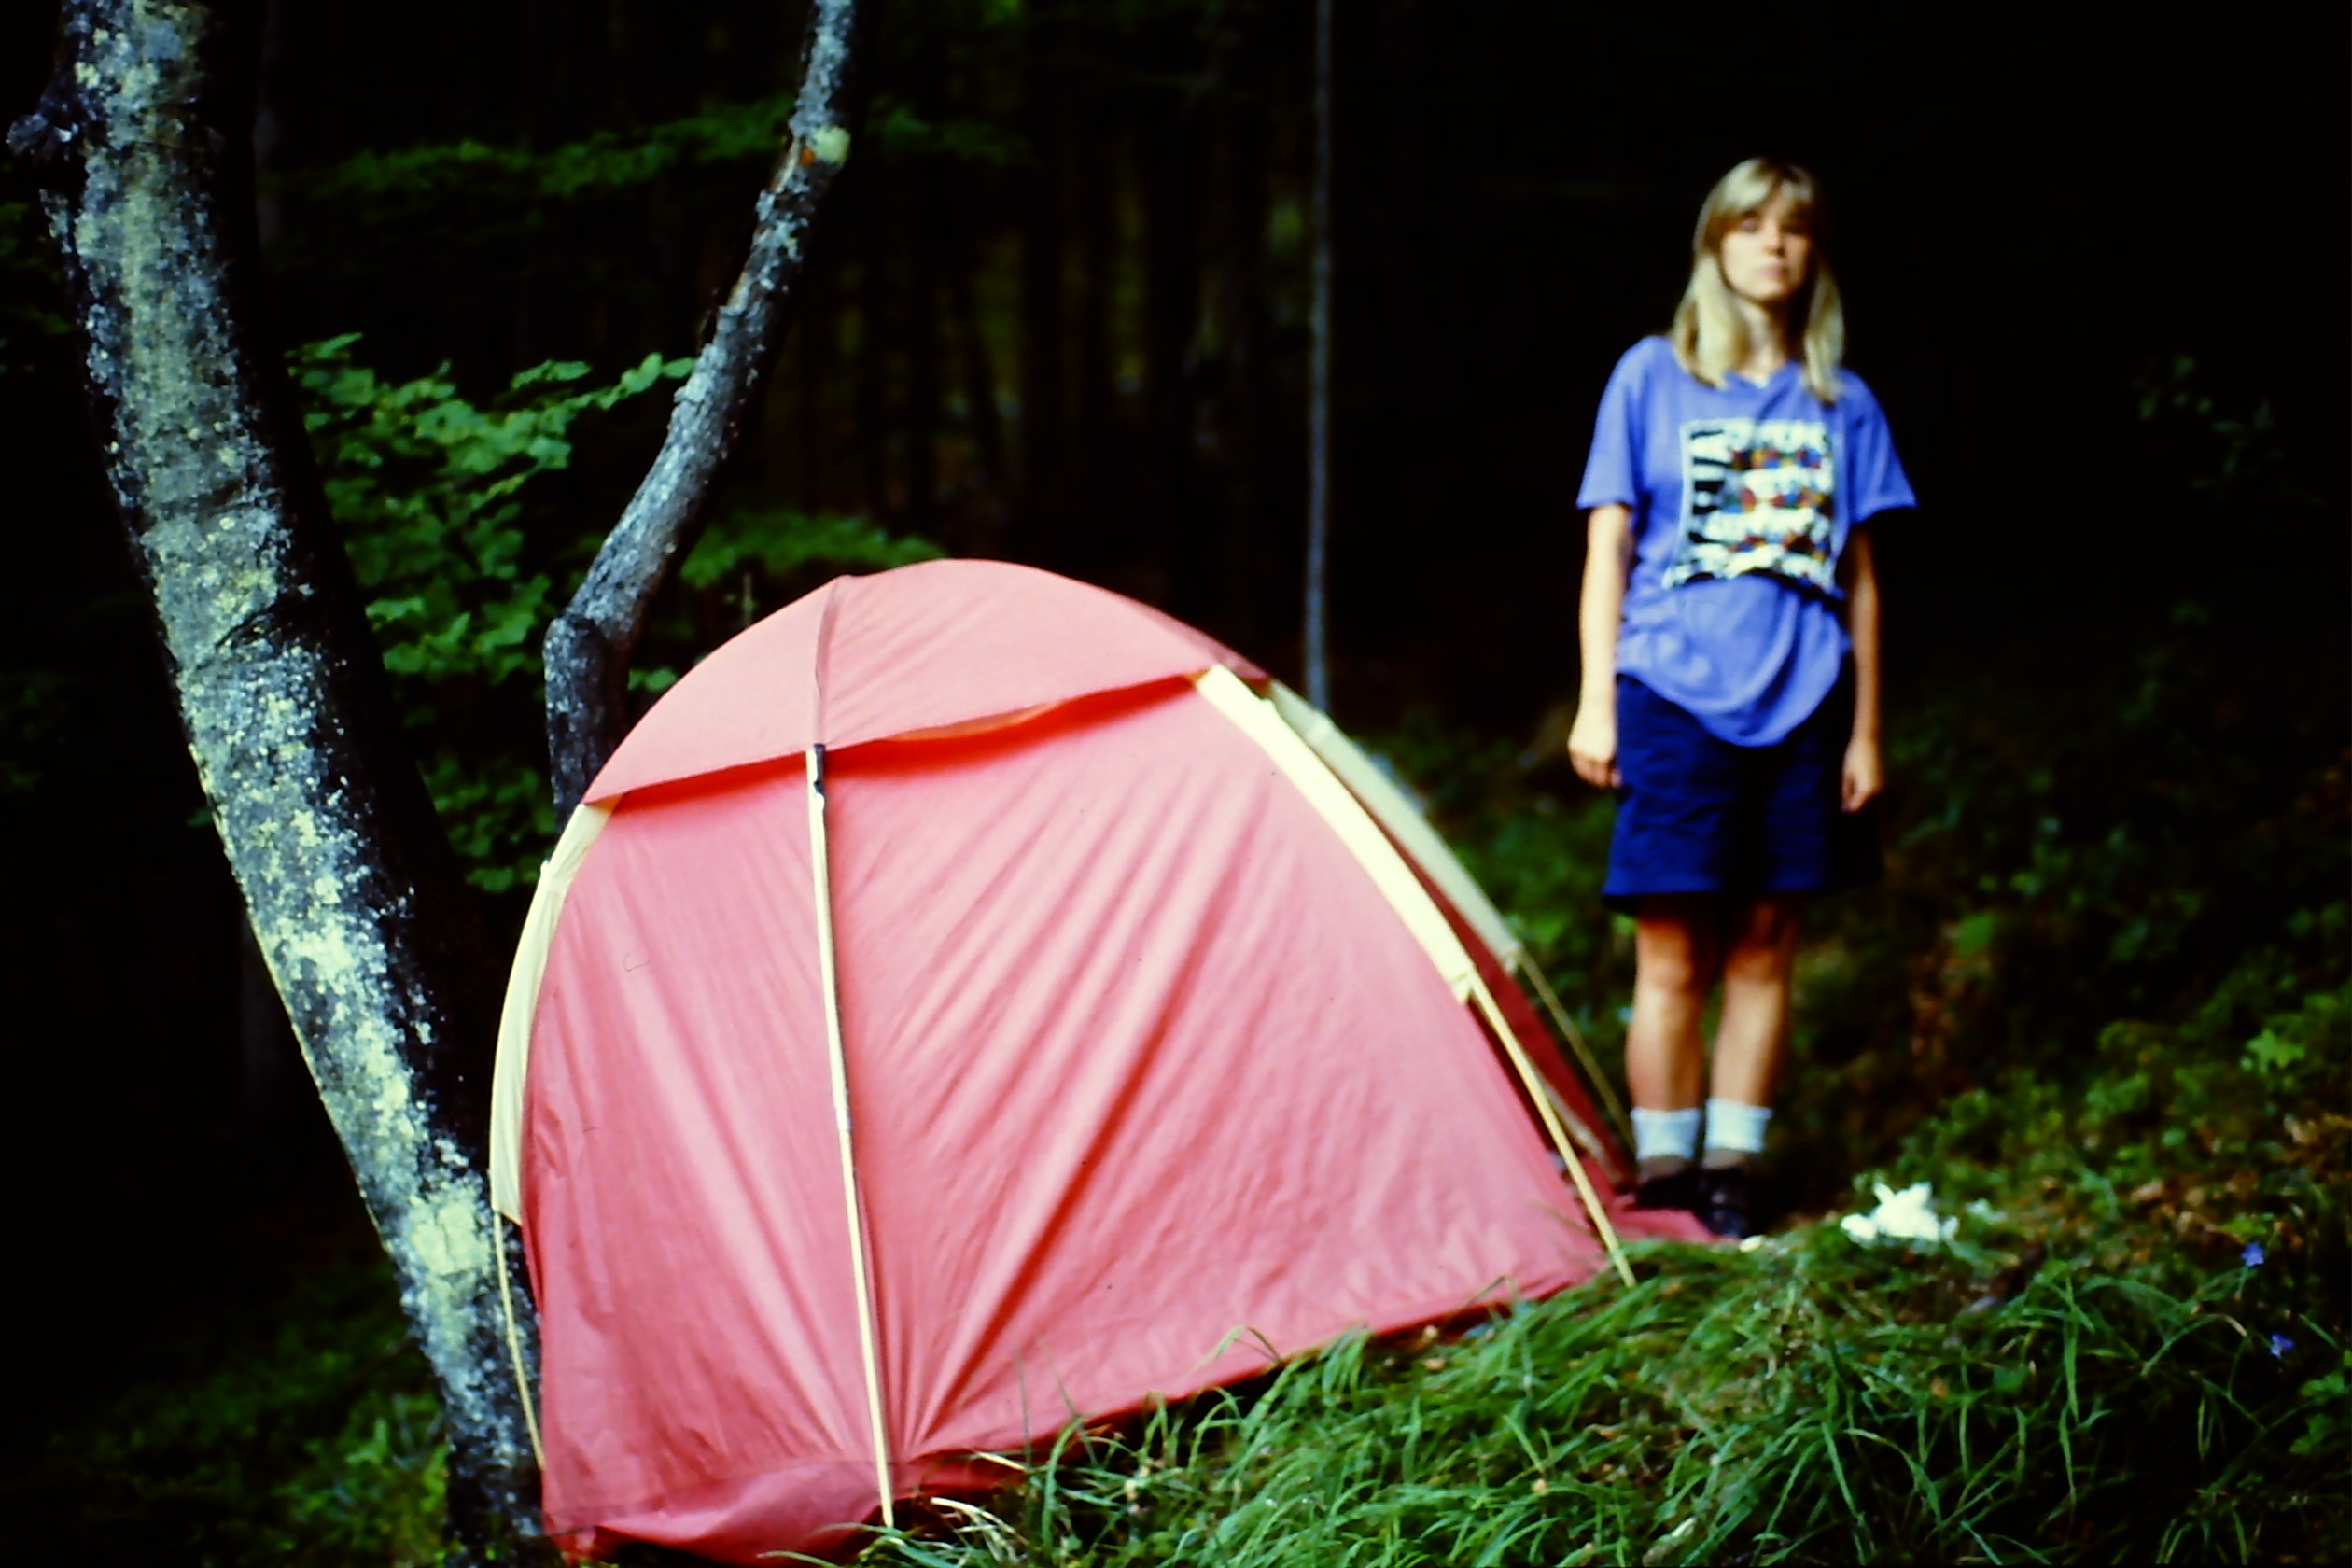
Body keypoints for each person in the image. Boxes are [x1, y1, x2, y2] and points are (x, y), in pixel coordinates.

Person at [1566, 158, 1915, 1239]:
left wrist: (1865, 730)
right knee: (1672, 946)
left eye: (1794, 227)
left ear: (1814, 253)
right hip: (1671, 690)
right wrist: (1595, 700)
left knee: (1766, 944)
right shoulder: (1650, 377)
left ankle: (1733, 1176)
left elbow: (1862, 578)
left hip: (1806, 701)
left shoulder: (1843, 402)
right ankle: (1667, 1176)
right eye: (1751, 224)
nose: (1774, 244)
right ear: (1715, 243)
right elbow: (1608, 547)